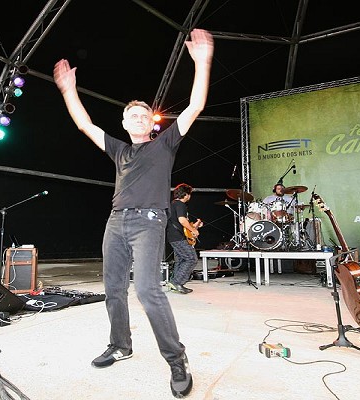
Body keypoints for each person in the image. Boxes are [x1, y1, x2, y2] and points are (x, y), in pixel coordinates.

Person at [53, 28, 213, 398]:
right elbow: (84, 124)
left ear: (152, 122)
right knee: (113, 288)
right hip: (116, 222)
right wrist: (69, 90)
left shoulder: (165, 144)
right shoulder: (119, 150)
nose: (138, 118)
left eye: (144, 114)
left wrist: (202, 62)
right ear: (124, 124)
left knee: (147, 290)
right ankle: (120, 344)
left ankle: (176, 359)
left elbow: (195, 106)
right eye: (132, 115)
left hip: (149, 222)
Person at [166, 183, 202, 294]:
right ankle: (177, 282)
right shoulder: (180, 204)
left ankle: (174, 284)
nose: (189, 197)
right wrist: (194, 230)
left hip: (173, 236)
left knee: (181, 260)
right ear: (186, 194)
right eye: (189, 194)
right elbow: (182, 220)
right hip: (178, 237)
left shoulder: (173, 204)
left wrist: (195, 226)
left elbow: (183, 225)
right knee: (191, 259)